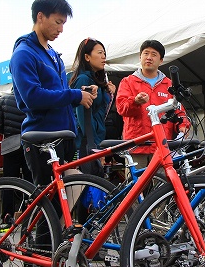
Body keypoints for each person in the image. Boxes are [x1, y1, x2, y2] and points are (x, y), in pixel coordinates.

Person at [9, 0, 96, 193]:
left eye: (63, 23)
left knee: (63, 205)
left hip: (63, 136)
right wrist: (74, 96)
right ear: (40, 16)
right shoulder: (24, 53)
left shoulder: (52, 54)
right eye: (57, 22)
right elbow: (32, 96)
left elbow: (57, 92)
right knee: (49, 205)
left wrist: (78, 92)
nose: (61, 29)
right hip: (42, 139)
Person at [115, 40, 189, 170]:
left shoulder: (169, 84)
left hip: (162, 147)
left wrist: (183, 125)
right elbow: (121, 108)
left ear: (161, 60)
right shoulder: (128, 82)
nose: (149, 57)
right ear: (140, 57)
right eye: (146, 53)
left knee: (162, 188)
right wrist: (135, 101)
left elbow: (179, 110)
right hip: (136, 146)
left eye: (154, 54)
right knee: (135, 187)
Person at [0, 92, 32, 231]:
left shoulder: (2, 100)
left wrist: (8, 132)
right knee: (29, 183)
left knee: (9, 182)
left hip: (10, 143)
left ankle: (6, 218)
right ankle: (30, 218)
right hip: (29, 142)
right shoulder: (29, 96)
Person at [68, 37, 117, 149]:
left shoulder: (96, 80)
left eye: (104, 53)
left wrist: (110, 94)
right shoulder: (83, 80)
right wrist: (93, 145)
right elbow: (83, 118)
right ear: (87, 57)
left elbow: (100, 110)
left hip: (97, 138)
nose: (103, 56)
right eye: (99, 53)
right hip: (87, 143)